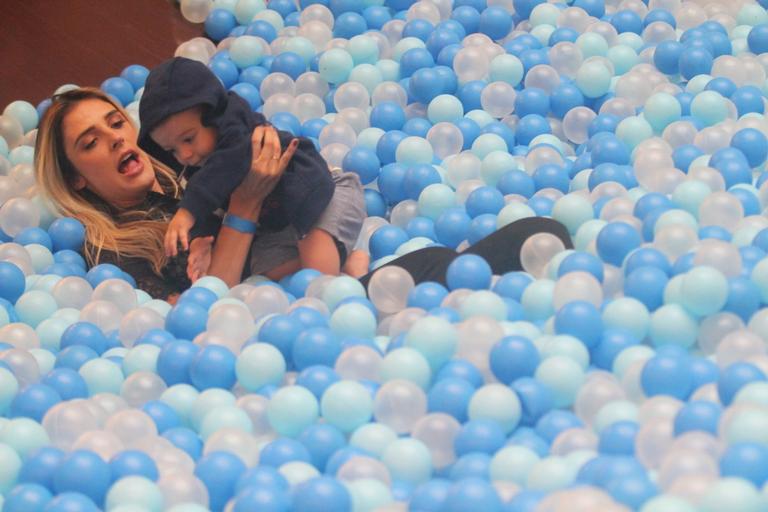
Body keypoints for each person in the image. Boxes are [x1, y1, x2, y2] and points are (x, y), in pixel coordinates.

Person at [34, 87, 298, 301]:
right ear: (75, 178)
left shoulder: (188, 158)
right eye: (91, 143)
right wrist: (246, 204)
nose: (115, 138)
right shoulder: (111, 253)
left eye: (116, 123)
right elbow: (200, 314)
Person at [137, 57, 366, 278]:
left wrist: (187, 211)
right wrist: (199, 241)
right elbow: (210, 209)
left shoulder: (239, 132)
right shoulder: (199, 169)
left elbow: (226, 167)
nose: (184, 155)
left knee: (317, 267)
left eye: (188, 139)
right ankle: (345, 260)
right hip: (281, 224)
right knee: (265, 269)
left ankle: (336, 271)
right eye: (172, 151)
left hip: (320, 199)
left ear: (213, 115)